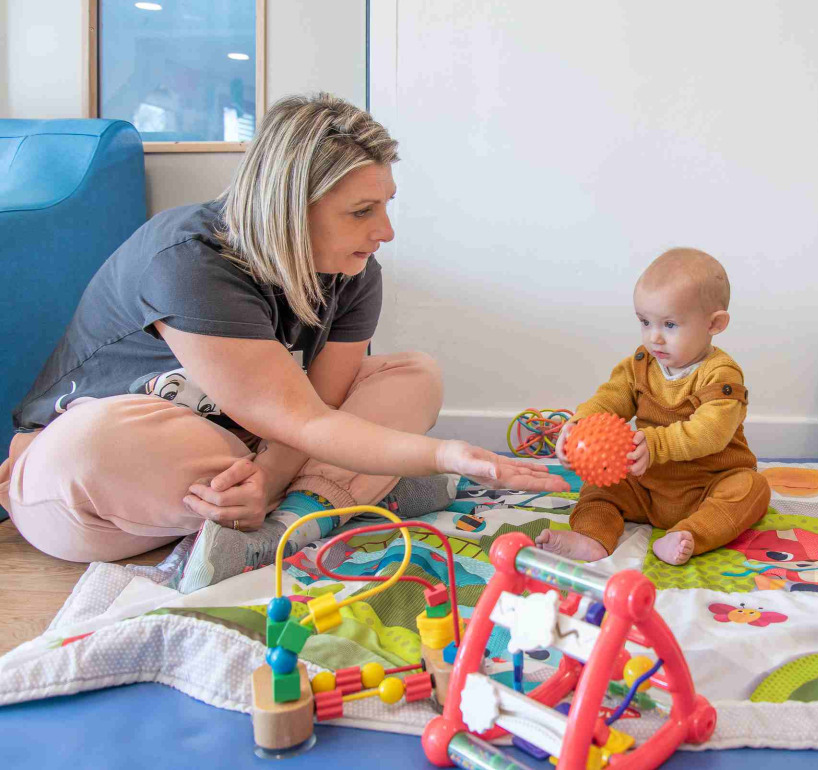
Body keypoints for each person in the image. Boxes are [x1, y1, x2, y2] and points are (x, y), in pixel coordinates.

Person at [0, 93, 567, 593]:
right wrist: (446, 454)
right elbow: (309, 424)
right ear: (290, 208)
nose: (386, 230)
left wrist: (268, 476)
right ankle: (342, 497)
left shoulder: (353, 272)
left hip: (247, 461)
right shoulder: (190, 260)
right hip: (112, 477)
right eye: (362, 211)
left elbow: (319, 407)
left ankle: (279, 524)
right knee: (97, 446)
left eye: (387, 204)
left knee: (413, 375)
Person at [536, 248, 770, 565]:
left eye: (670, 325)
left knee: (752, 489)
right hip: (646, 485)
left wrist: (656, 444)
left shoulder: (721, 374)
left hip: (707, 486)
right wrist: (581, 424)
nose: (654, 337)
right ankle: (592, 536)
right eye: (645, 322)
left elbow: (711, 432)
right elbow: (610, 397)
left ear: (714, 324)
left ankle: (690, 533)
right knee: (600, 485)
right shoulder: (641, 364)